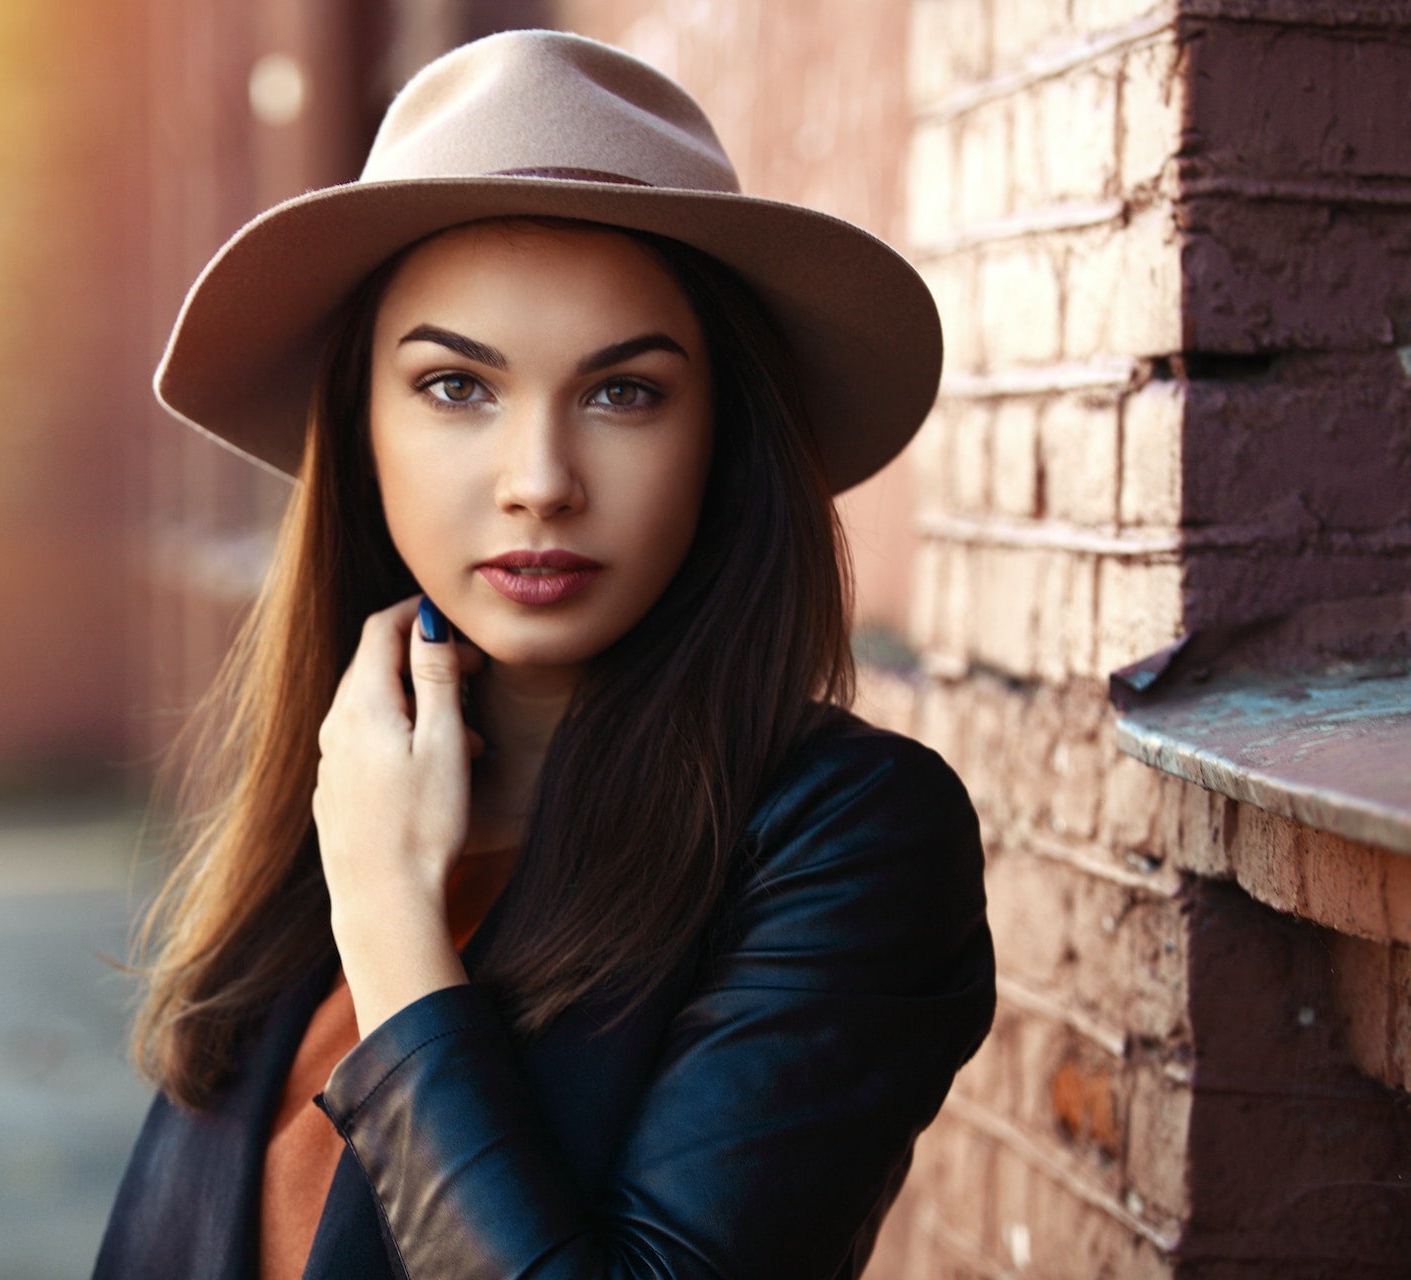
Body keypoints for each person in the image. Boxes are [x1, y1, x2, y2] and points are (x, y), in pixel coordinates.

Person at [94, 28, 995, 1280]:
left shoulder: (845, 838)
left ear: (723, 435)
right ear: (359, 429)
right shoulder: (346, 780)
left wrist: (394, 918)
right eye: (457, 387)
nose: (540, 484)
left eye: (624, 392)